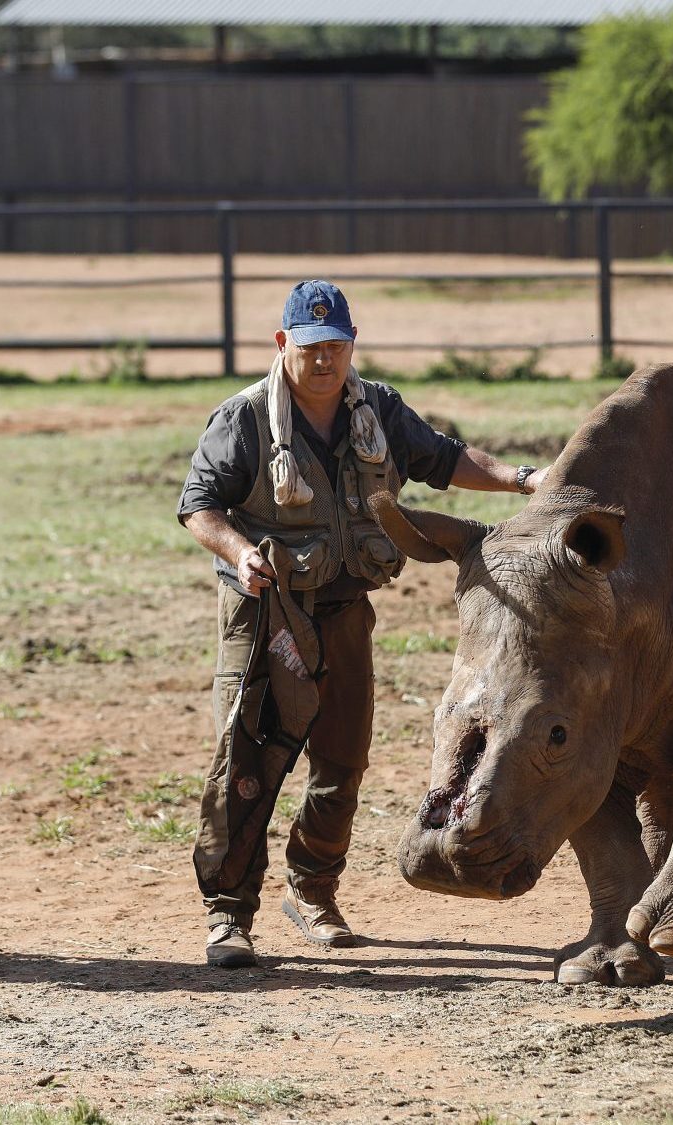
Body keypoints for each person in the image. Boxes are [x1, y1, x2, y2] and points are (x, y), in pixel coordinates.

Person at [177, 280, 546, 968]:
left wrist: (526, 478)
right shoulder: (245, 419)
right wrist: (240, 551)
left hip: (346, 611)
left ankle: (314, 891)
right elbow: (198, 504)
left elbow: (444, 459)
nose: (326, 361)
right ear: (283, 343)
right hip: (267, 613)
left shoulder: (377, 410)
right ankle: (228, 916)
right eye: (312, 347)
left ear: (351, 345)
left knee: (342, 763)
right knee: (247, 765)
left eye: (337, 346)